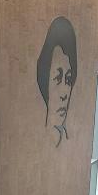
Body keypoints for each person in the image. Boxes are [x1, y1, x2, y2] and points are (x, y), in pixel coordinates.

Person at [36, 16, 77, 147]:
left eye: (68, 79)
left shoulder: (67, 137)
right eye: (58, 79)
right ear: (44, 80)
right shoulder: (39, 142)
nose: (64, 93)